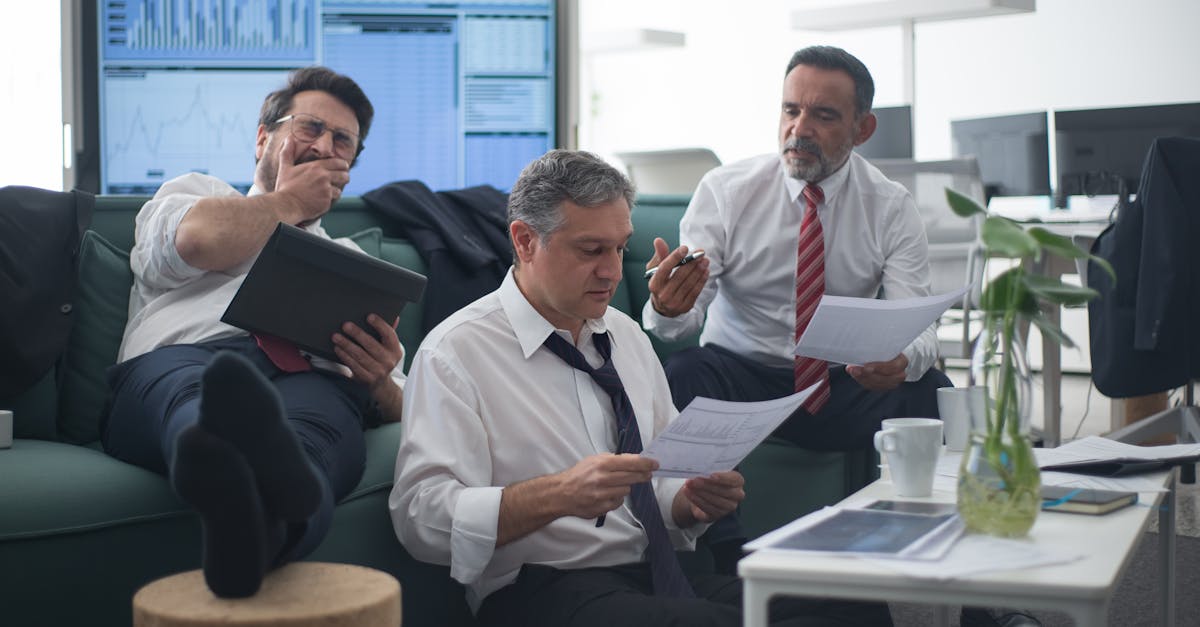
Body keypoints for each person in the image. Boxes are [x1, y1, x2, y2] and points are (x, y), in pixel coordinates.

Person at [390, 149, 893, 627]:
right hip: (540, 589)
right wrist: (556, 495)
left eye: (620, 248)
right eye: (591, 250)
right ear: (524, 241)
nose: (611, 271)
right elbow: (421, 519)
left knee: (858, 604)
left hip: (653, 577)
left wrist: (690, 500)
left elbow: (665, 477)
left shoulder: (623, 334)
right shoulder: (455, 352)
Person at [640, 45, 952, 573]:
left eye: (823, 115)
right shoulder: (727, 191)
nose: (799, 129)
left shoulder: (891, 205)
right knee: (683, 373)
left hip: (839, 384)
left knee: (938, 395)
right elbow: (682, 324)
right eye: (791, 110)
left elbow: (918, 324)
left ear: (863, 127)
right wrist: (668, 308)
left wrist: (901, 358)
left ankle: (972, 593)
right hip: (741, 379)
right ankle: (728, 566)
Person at [101, 66, 407, 598]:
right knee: (201, 397)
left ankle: (250, 538)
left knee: (317, 435)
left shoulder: (353, 263)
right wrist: (289, 204)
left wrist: (380, 381)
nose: (324, 146)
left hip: (311, 379)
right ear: (264, 137)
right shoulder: (196, 194)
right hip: (185, 360)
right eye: (310, 127)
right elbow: (195, 242)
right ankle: (220, 453)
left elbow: (402, 403)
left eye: (342, 141)